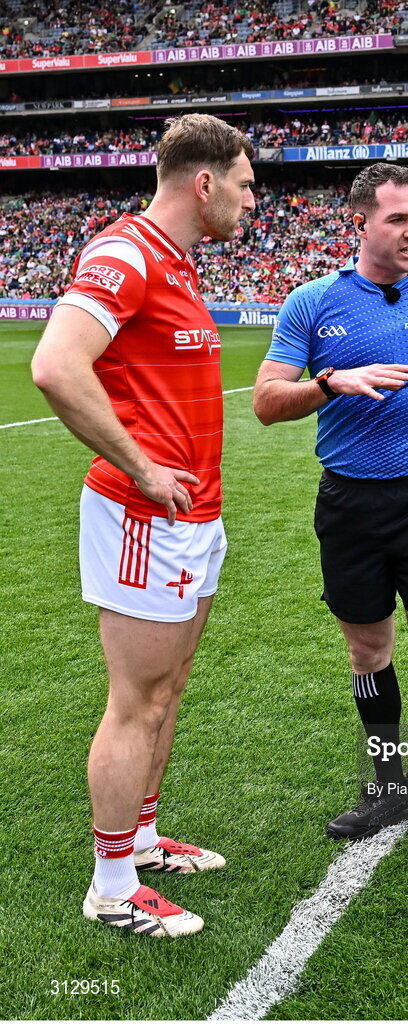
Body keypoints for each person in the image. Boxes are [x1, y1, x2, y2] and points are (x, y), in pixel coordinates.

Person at [253, 162, 408, 893]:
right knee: (367, 652)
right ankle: (389, 788)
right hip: (348, 504)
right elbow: (267, 402)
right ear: (360, 221)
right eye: (399, 219)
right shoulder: (313, 303)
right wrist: (330, 382)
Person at [31, 114, 256, 937]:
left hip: (192, 516)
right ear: (204, 183)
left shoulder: (178, 263)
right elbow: (55, 365)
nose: (250, 202)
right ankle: (113, 885)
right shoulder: (125, 252)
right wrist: (142, 467)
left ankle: (146, 841)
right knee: (137, 700)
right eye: (244, 184)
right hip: (143, 517)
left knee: (168, 691)